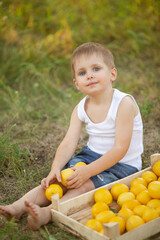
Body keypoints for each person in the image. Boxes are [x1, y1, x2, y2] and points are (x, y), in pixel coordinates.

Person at [0, 42, 143, 230]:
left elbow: (120, 149)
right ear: (77, 83)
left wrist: (88, 171)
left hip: (123, 164)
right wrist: (56, 167)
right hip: (91, 156)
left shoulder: (123, 104)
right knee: (60, 180)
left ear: (112, 74)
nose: (89, 75)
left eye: (96, 68)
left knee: (83, 186)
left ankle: (48, 213)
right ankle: (17, 207)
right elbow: (68, 142)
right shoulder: (81, 108)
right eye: (82, 73)